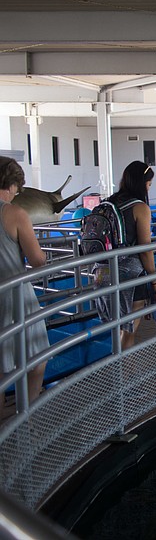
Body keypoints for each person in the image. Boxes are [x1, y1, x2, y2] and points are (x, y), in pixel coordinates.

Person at [0, 157, 49, 417]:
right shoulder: (15, 213)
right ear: (11, 185)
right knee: (38, 358)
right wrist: (45, 258)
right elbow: (36, 259)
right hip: (15, 294)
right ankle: (25, 417)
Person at [91, 161, 156, 350]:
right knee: (128, 333)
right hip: (129, 276)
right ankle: (123, 377)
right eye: (149, 184)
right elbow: (145, 249)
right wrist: (154, 280)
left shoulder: (107, 203)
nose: (149, 189)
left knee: (116, 329)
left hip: (101, 273)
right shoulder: (140, 208)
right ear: (142, 183)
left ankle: (119, 373)